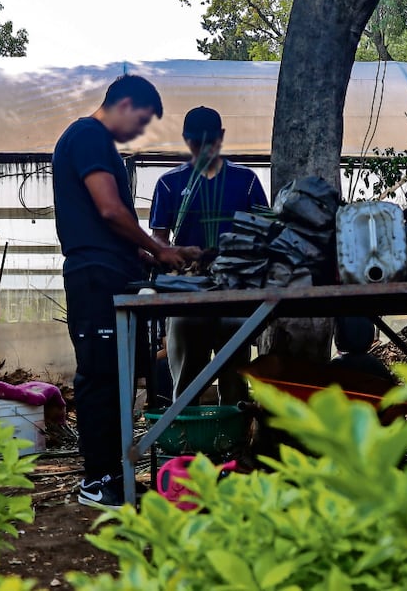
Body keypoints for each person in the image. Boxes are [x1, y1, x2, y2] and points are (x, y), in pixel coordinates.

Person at [53, 75, 200, 509]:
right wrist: (156, 246)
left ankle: (115, 474)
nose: (138, 132)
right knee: (99, 378)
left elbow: (108, 224)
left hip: (109, 272)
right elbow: (109, 209)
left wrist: (154, 256)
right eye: (140, 121)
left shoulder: (93, 142)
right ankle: (97, 481)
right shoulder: (88, 137)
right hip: (94, 277)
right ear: (125, 103)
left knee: (116, 379)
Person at [149, 106, 268, 404]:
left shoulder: (247, 181)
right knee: (187, 382)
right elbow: (158, 243)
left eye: (209, 141)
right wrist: (177, 256)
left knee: (236, 382)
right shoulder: (169, 184)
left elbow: (265, 235)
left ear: (221, 137)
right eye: (196, 142)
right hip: (188, 298)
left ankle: (233, 443)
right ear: (186, 140)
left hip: (235, 296)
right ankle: (190, 442)